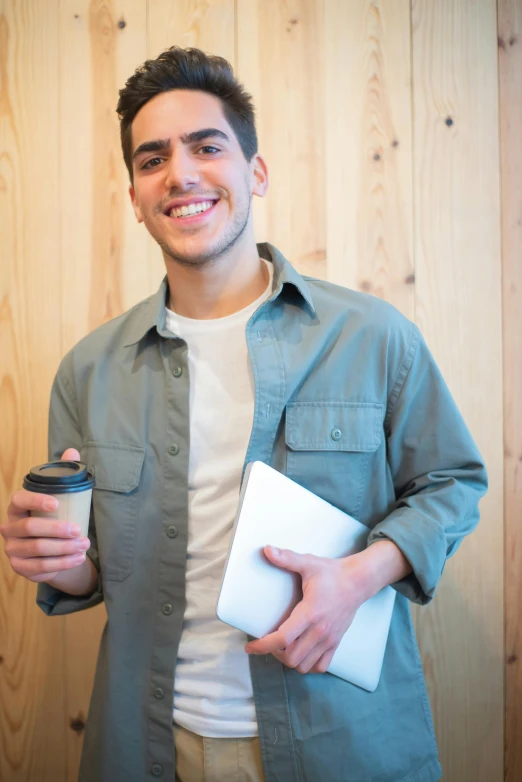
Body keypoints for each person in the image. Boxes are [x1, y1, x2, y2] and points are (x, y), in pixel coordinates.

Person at [1, 46, 487, 782]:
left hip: (343, 745)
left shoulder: (372, 336)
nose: (181, 174)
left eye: (206, 146)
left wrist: (362, 575)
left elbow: (453, 482)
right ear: (135, 196)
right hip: (147, 748)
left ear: (254, 173)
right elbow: (93, 571)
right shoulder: (87, 370)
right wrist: (60, 563)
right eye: (152, 158)